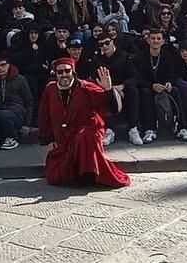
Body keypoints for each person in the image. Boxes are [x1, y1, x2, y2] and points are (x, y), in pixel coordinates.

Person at [38, 57, 129, 189]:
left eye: (67, 71)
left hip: (88, 133)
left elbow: (112, 109)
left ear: (73, 72)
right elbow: (44, 115)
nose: (64, 75)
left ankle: (89, 174)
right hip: (64, 138)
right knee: (55, 175)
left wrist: (108, 90)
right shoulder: (50, 89)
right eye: (60, 72)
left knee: (84, 136)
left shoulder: (87, 87)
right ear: (55, 74)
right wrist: (48, 139)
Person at [0, 54, 31, 150]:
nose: (0, 68)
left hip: (15, 111)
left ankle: (11, 138)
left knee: (4, 114)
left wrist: (27, 124)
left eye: (3, 65)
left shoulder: (20, 79)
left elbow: (29, 102)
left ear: (8, 65)